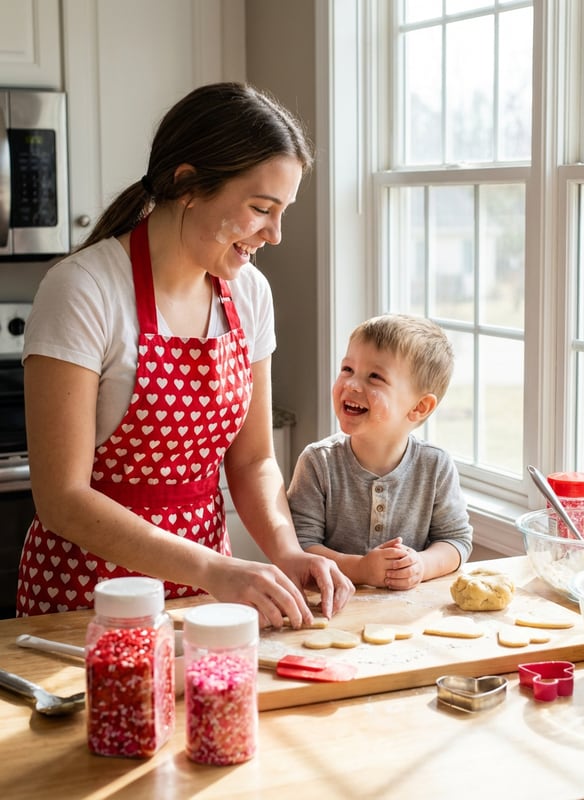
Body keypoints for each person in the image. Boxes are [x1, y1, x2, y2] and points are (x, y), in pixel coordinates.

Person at [17, 82, 354, 626]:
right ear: (189, 184)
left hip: (205, 596)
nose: (276, 233)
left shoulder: (248, 292)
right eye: (260, 208)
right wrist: (217, 570)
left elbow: (252, 461)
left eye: (282, 211)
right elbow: (62, 498)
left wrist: (288, 552)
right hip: (88, 599)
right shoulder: (84, 289)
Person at [287, 313, 473, 590]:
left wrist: (421, 565)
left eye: (375, 377)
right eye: (347, 369)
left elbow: (457, 541)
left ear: (419, 407)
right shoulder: (318, 463)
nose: (350, 384)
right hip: (328, 608)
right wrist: (360, 570)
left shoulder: (435, 466)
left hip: (405, 617)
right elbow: (300, 547)